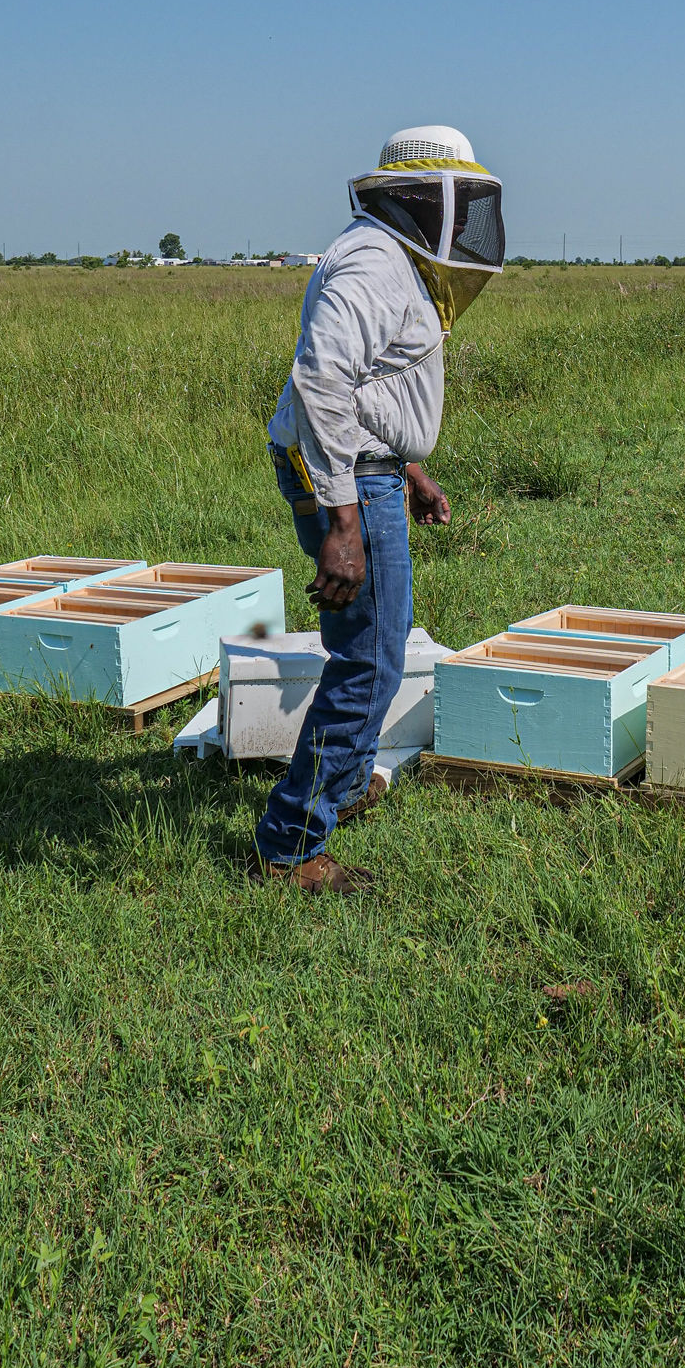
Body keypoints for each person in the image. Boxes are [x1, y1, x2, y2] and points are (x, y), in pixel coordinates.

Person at [247, 124, 505, 892]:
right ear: (422, 199)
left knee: (374, 649)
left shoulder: (391, 261)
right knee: (368, 661)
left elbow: (375, 387)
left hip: (369, 470)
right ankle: (290, 844)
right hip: (350, 481)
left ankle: (348, 780)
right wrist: (345, 523)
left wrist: (413, 470)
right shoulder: (372, 262)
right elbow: (323, 379)